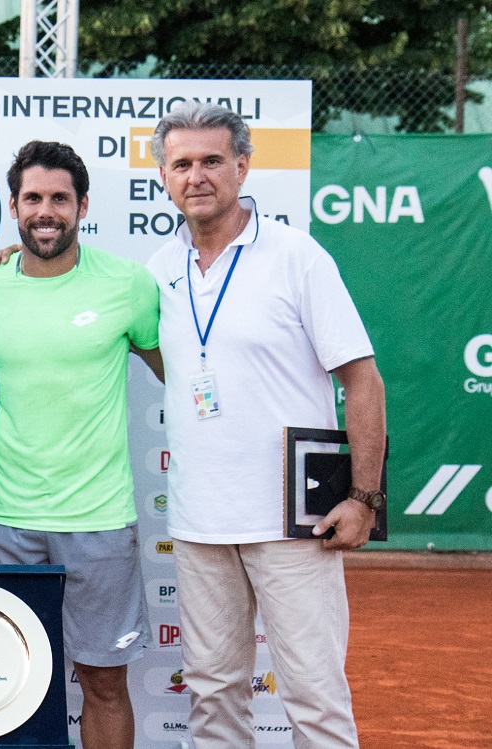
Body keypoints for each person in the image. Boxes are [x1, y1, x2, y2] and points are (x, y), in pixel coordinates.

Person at [146, 102, 386, 748]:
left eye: (212, 161)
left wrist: (364, 497)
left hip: (294, 523)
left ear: (243, 166)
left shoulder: (296, 257)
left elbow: (362, 379)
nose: (197, 175)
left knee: (314, 698)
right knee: (212, 697)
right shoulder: (157, 271)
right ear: (164, 177)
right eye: (182, 163)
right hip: (198, 525)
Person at [0, 141, 162, 749]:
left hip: (99, 524)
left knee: (103, 687)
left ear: (82, 206)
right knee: (8, 684)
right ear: (14, 205)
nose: (45, 211)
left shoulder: (129, 285)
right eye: (32, 198)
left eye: (58, 199)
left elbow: (179, 379)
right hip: (5, 522)